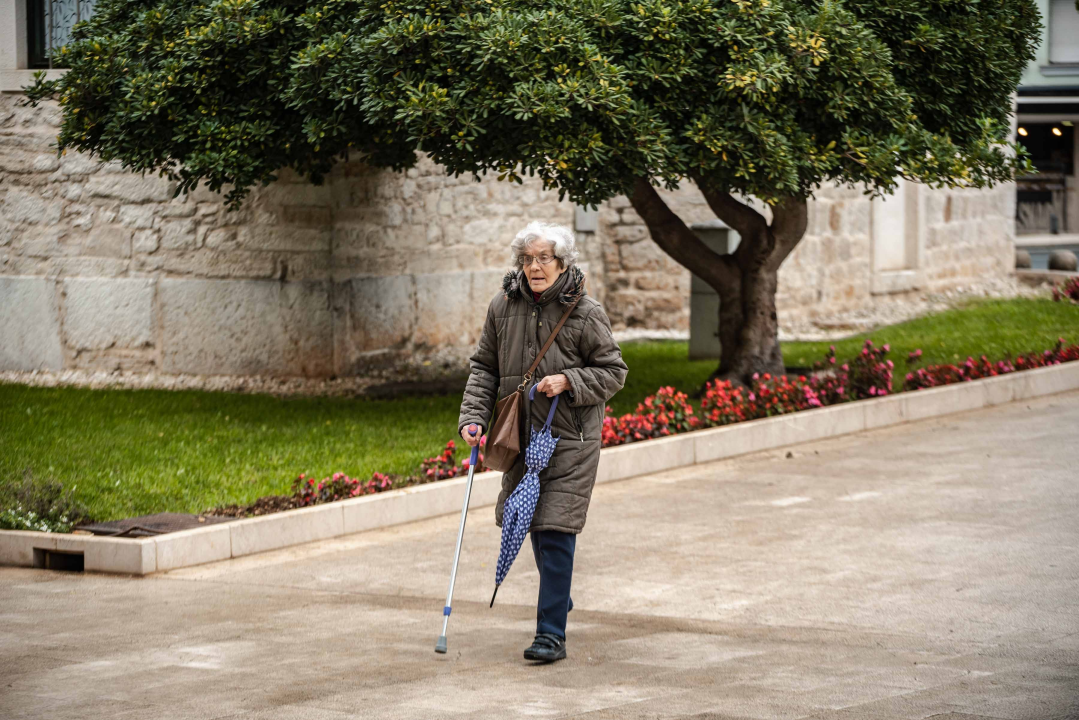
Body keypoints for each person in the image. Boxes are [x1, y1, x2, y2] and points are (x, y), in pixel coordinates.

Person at [458, 220, 628, 663]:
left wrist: (568, 379)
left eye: (544, 258)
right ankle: (560, 594)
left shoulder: (586, 313)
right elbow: (484, 369)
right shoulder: (502, 307)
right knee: (530, 523)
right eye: (527, 259)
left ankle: (551, 634)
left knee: (555, 531)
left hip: (570, 439)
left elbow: (614, 372)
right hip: (521, 438)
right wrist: (473, 419)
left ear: (562, 262)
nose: (534, 267)